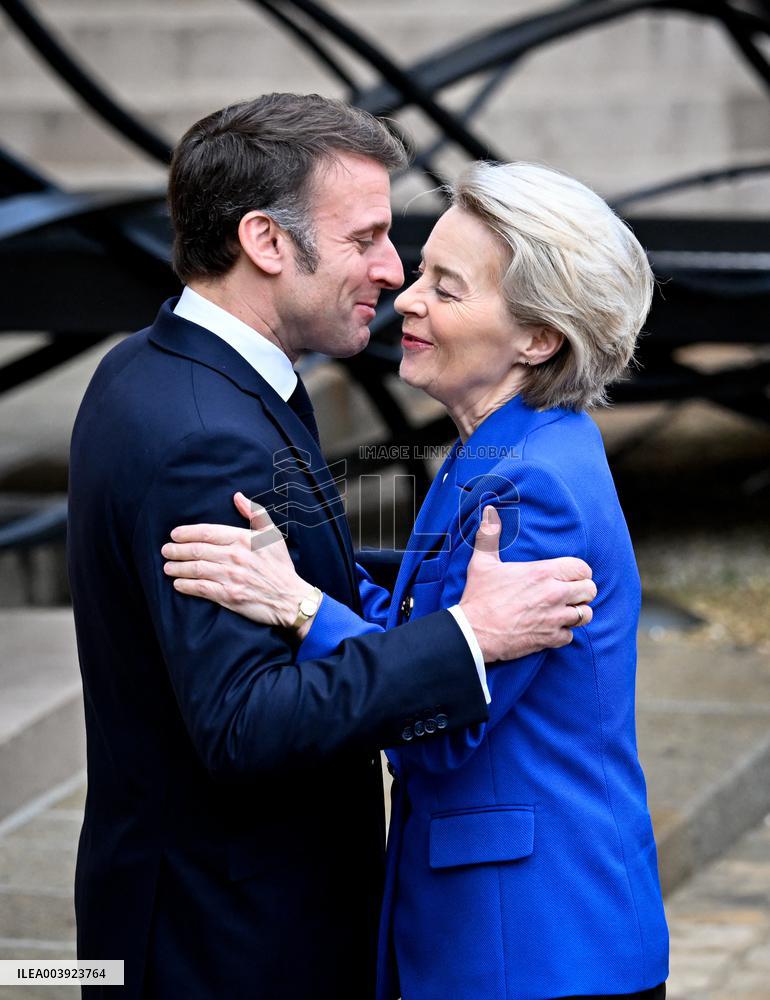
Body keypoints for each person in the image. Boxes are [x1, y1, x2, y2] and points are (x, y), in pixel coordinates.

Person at [67, 94, 596, 1000]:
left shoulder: (158, 370)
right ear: (267, 243)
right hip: (229, 944)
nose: (393, 271)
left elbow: (300, 569)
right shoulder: (208, 435)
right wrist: (467, 638)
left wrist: (411, 583)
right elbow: (246, 722)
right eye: (366, 239)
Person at [163, 161, 669, 999]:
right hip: (508, 929)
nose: (408, 298)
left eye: (448, 287)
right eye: (421, 269)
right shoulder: (502, 448)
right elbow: (426, 622)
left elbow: (440, 723)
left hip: (535, 943)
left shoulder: (529, 484)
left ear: (538, 338)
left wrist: (298, 606)